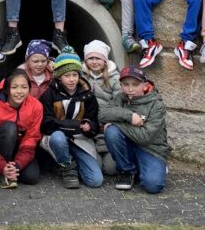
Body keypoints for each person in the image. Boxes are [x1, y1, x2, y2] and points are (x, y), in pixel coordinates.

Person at [99, 66, 168, 194]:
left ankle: (151, 168)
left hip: (151, 149)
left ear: (145, 85)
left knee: (153, 185)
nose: (130, 89)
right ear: (121, 85)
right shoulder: (120, 98)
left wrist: (117, 123)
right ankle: (127, 171)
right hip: (128, 146)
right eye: (126, 84)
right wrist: (129, 115)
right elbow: (102, 114)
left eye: (135, 85)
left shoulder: (156, 104)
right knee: (111, 132)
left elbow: (145, 137)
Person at [41, 53, 104, 189]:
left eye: (75, 75)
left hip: (79, 139)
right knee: (58, 138)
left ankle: (72, 161)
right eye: (67, 75)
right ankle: (67, 167)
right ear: (59, 77)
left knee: (95, 180)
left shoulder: (87, 95)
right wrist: (76, 125)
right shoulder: (49, 94)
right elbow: (47, 123)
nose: (71, 79)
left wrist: (89, 126)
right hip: (56, 137)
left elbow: (93, 119)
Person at [0, 70, 43, 188]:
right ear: (7, 89)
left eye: (24, 87)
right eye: (14, 87)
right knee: (9, 127)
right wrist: (2, 166)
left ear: (29, 89)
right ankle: (2, 172)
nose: (19, 91)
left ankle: (11, 171)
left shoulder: (36, 106)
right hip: (2, 148)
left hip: (22, 149)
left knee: (31, 177)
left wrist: (17, 165)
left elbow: (32, 138)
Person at [82, 41, 119, 174]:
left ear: (105, 60)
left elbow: (119, 102)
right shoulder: (81, 76)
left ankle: (108, 154)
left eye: (98, 58)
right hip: (88, 127)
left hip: (105, 125)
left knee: (110, 169)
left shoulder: (114, 78)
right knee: (95, 167)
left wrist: (109, 118)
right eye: (90, 58)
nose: (94, 62)